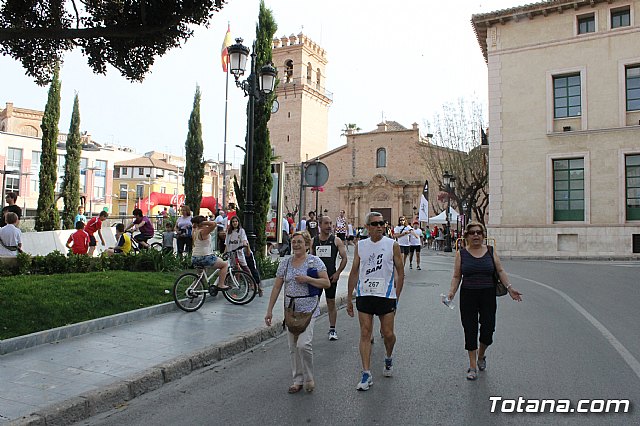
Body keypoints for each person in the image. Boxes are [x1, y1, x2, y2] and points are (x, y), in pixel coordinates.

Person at [447, 221, 523, 381]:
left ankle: (481, 355)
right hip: (468, 295)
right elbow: (456, 276)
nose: (476, 235)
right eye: (472, 233)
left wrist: (510, 288)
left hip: (487, 294)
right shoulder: (461, 253)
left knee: (488, 329)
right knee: (470, 329)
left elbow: (500, 270)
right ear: (467, 236)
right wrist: (452, 292)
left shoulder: (490, 251)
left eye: (479, 232)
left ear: (483, 235)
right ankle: (472, 365)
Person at [265, 231, 330, 394]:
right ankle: (297, 380)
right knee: (293, 347)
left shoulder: (315, 262)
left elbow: (326, 283)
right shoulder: (285, 263)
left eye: (299, 242)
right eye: (293, 242)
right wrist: (269, 310)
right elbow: (277, 287)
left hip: (308, 309)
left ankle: (309, 378)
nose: (296, 245)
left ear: (307, 244)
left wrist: (308, 279)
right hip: (290, 310)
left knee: (303, 344)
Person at [347, 212, 404, 391]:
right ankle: (366, 373)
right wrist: (349, 296)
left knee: (388, 334)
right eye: (375, 224)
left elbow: (401, 272)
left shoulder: (392, 245)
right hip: (365, 294)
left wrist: (397, 295)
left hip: (386, 295)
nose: (380, 226)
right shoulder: (361, 246)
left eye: (382, 223)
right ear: (368, 227)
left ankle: (388, 356)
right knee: (365, 333)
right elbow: (354, 271)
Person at [311, 215, 348, 341]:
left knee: (331, 302)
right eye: (326, 223)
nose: (329, 226)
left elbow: (344, 258)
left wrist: (338, 273)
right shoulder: (314, 241)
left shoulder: (336, 240)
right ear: (320, 225)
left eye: (330, 223)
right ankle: (308, 329)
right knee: (312, 303)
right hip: (317, 278)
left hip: (331, 277)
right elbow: (310, 259)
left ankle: (332, 329)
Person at [191, 215, 229, 289]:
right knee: (224, 265)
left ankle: (192, 290)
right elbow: (214, 224)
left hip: (195, 257)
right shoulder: (203, 232)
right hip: (205, 256)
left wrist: (200, 223)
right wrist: (203, 222)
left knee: (200, 277)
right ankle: (221, 284)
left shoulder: (194, 231)